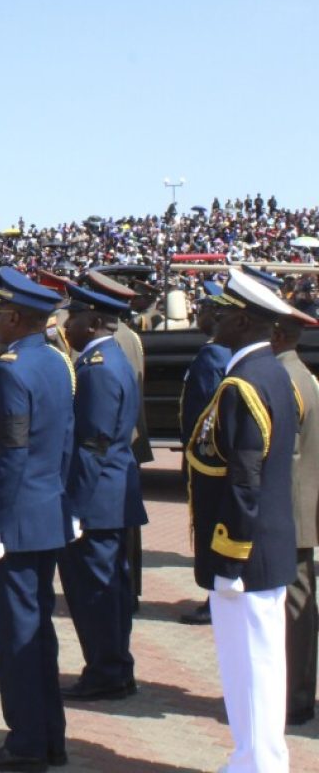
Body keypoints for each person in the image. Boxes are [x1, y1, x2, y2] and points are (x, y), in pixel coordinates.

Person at [186, 268, 299, 771]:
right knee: (262, 663)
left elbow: (245, 479)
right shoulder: (274, 371)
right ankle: (260, 757)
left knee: (249, 667)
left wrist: (229, 556)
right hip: (266, 546)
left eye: (226, 312)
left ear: (245, 320)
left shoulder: (243, 382)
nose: (214, 318)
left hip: (244, 554)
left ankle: (256, 764)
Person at [0, 267, 74, 772]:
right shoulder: (57, 362)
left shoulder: (10, 370)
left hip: (13, 522)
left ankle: (27, 743)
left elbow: (10, 451)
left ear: (15, 318)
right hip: (46, 514)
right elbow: (65, 441)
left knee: (15, 638)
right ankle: (49, 737)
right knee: (39, 634)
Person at [58, 281, 147, 701]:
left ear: (93, 321)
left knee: (95, 592)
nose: (65, 325)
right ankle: (115, 667)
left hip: (96, 500)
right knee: (111, 590)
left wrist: (73, 507)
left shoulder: (98, 368)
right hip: (112, 495)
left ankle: (106, 671)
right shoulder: (110, 358)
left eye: (72, 318)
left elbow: (92, 444)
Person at [272, 306, 319, 726]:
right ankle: (298, 692)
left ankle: (296, 697)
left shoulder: (286, 378)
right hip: (299, 503)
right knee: (298, 603)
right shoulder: (300, 372)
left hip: (290, 506)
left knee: (295, 609)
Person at [178, 282, 232, 626]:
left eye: (201, 310)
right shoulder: (217, 352)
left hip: (207, 460)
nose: (196, 315)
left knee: (210, 527)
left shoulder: (213, 356)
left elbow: (207, 415)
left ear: (215, 315)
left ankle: (215, 599)